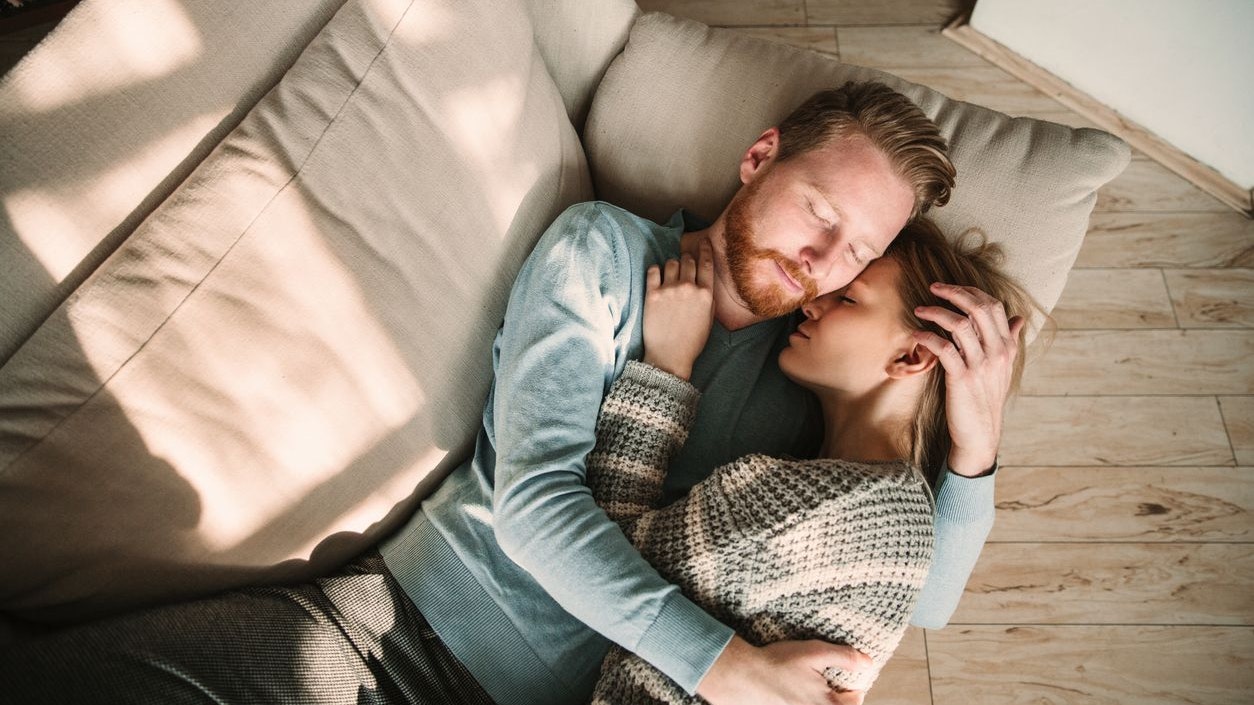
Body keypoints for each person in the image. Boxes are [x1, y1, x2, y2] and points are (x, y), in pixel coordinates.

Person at [1, 82, 1009, 705]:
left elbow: (915, 589)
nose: (822, 261)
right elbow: (533, 507)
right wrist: (726, 670)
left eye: (860, 251)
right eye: (818, 212)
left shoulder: (811, 377)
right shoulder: (605, 255)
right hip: (396, 637)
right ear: (759, 160)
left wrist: (976, 441)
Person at [585, 218, 1033, 704]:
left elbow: (599, 560)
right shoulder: (897, 510)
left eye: (848, 299)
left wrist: (667, 366)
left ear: (912, 356)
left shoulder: (824, 504)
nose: (811, 302)